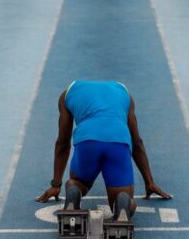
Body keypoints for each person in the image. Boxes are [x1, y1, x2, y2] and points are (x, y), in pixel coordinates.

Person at [36, 80, 171, 219]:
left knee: (77, 182)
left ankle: (74, 191)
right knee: (122, 198)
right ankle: (122, 206)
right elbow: (137, 142)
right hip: (118, 142)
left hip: (87, 142)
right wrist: (149, 182)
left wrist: (56, 184)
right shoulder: (125, 94)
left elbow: (62, 143)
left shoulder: (67, 94)